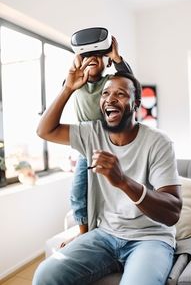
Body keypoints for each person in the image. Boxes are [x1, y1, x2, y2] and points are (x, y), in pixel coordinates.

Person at [33, 61, 182, 285]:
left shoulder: (158, 142)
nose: (110, 99)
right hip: (104, 235)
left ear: (137, 105)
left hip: (150, 238)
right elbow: (45, 130)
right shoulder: (91, 132)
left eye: (120, 94)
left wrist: (123, 181)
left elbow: (172, 212)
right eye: (105, 94)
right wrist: (68, 89)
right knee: (46, 274)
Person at [67, 35, 133, 237]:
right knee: (78, 193)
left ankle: (116, 226)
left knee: (113, 191)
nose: (92, 58)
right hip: (86, 146)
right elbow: (66, 86)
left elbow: (129, 79)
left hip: (109, 142)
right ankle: (83, 233)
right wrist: (77, 61)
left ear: (107, 62)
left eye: (98, 55)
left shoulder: (109, 82)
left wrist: (116, 56)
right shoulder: (76, 83)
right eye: (87, 55)